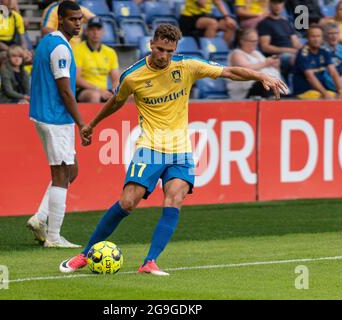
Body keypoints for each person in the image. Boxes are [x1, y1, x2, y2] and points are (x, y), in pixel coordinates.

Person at [58, 24, 288, 275]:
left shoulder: (187, 65)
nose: (164, 56)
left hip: (181, 149)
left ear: (175, 49)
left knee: (175, 198)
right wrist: (92, 124)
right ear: (151, 45)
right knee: (128, 202)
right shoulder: (133, 76)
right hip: (150, 147)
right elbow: (116, 101)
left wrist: (262, 76)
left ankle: (150, 262)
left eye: (169, 50)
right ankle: (84, 254)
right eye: (159, 49)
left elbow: (230, 71)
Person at [26, 1, 90, 248]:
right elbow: (65, 91)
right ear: (60, 19)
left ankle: (39, 218)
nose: (77, 23)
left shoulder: (48, 42)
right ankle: (53, 237)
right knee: (62, 174)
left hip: (46, 116)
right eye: (73, 19)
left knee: (71, 170)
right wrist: (82, 123)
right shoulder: (61, 49)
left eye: (79, 19)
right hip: (55, 118)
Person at [292, 24, 342, 100]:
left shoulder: (324, 50)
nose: (316, 39)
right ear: (308, 38)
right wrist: (325, 94)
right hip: (305, 92)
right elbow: (310, 77)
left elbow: (333, 72)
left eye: (318, 36)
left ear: (322, 38)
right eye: (313, 36)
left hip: (320, 91)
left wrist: (340, 91)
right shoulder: (303, 54)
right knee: (331, 100)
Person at [75, 16, 120, 103]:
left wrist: (115, 90)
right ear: (86, 32)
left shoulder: (110, 52)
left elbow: (116, 79)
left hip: (104, 90)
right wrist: (98, 89)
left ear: (102, 32)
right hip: (84, 90)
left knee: (131, 96)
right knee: (95, 96)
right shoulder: (78, 50)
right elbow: (77, 79)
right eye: (92, 29)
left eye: (98, 29)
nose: (95, 32)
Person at [228, 28, 282, 99]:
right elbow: (244, 69)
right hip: (246, 90)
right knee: (266, 83)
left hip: (263, 87)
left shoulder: (256, 53)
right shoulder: (236, 53)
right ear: (242, 41)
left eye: (256, 40)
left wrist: (275, 64)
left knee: (272, 83)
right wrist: (266, 63)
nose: (255, 43)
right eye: (252, 41)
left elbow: (268, 68)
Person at [258, 0, 302, 82]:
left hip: (291, 54)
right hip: (276, 57)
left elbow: (296, 43)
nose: (277, 6)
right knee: (296, 58)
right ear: (270, 4)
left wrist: (306, 50)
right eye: (275, 3)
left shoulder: (286, 22)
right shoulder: (264, 23)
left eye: (280, 3)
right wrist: (289, 50)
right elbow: (265, 47)